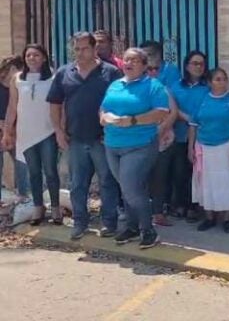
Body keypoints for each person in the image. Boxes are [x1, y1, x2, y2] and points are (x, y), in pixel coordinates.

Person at [47, 32, 122, 240]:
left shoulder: (111, 72)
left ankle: (109, 223)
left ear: (94, 49)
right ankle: (80, 223)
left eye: (84, 48)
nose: (80, 53)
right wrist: (59, 131)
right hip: (76, 139)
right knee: (78, 184)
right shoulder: (64, 72)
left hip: (102, 139)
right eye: (76, 49)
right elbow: (54, 105)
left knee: (107, 182)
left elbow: (120, 102)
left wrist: (114, 130)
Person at [100, 47, 170, 249]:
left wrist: (132, 120)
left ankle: (148, 230)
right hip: (113, 145)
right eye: (126, 60)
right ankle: (131, 227)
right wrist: (105, 118)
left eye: (134, 61)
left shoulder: (153, 86)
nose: (128, 64)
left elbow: (161, 113)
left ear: (144, 66)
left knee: (131, 189)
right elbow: (103, 109)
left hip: (139, 145)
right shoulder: (115, 85)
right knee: (126, 188)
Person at [2, 45, 60, 225]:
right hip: (25, 133)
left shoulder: (54, 77)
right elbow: (13, 107)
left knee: (50, 171)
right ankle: (38, 207)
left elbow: (59, 105)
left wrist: (60, 129)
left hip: (47, 131)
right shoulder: (17, 79)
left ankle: (56, 208)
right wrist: (7, 132)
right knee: (33, 171)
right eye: (28, 55)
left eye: (36, 55)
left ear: (44, 57)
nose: (32, 58)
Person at [189, 68, 229, 233]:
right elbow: (193, 125)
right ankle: (209, 217)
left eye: (224, 79)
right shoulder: (202, 99)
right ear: (210, 82)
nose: (222, 82)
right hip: (204, 147)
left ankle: (227, 219)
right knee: (206, 183)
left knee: (227, 183)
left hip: (226, 146)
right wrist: (191, 148)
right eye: (218, 79)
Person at [169, 51, 210, 222]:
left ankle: (195, 207)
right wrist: (187, 118)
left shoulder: (208, 87)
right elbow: (171, 108)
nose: (198, 67)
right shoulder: (176, 86)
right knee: (180, 172)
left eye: (201, 64)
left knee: (198, 173)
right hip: (179, 135)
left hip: (202, 136)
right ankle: (180, 205)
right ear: (187, 66)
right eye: (194, 63)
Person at [146, 55, 179, 227]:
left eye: (155, 69)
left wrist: (161, 129)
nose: (152, 72)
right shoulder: (133, 88)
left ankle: (158, 213)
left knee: (159, 178)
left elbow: (173, 112)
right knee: (140, 178)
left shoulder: (163, 89)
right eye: (148, 69)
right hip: (140, 140)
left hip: (162, 140)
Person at [0, 55, 30, 204]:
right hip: (6, 130)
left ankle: (23, 197)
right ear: (13, 69)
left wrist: (13, 132)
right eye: (21, 71)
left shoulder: (19, 86)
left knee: (22, 165)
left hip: (16, 132)